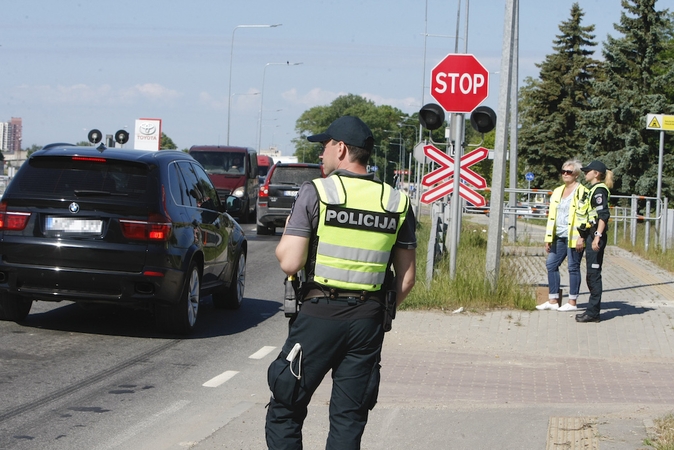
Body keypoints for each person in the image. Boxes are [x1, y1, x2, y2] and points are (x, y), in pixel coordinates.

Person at [265, 115, 417, 449]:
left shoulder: (316, 192)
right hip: (367, 321)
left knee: (285, 406)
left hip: (319, 316)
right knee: (349, 417)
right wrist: (377, 310)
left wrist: (291, 228)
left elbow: (290, 261)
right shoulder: (397, 202)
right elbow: (406, 279)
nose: (321, 154)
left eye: (325, 147)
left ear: (342, 149)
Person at [536, 160, 589, 312]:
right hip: (558, 235)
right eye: (563, 171)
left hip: (574, 236)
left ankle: (572, 302)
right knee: (551, 264)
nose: (565, 174)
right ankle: (553, 300)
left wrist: (582, 236)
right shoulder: (558, 191)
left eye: (569, 172)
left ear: (576, 174)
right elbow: (552, 216)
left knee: (573, 267)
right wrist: (548, 237)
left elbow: (585, 215)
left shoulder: (582, 191)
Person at [576, 160, 613, 323]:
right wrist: (583, 235)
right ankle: (591, 310)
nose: (585, 173)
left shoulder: (599, 190)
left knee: (594, 275)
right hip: (591, 234)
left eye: (588, 171)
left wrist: (597, 236)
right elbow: (588, 215)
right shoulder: (592, 190)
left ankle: (593, 313)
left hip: (596, 236)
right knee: (591, 274)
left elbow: (603, 215)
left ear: (596, 173)